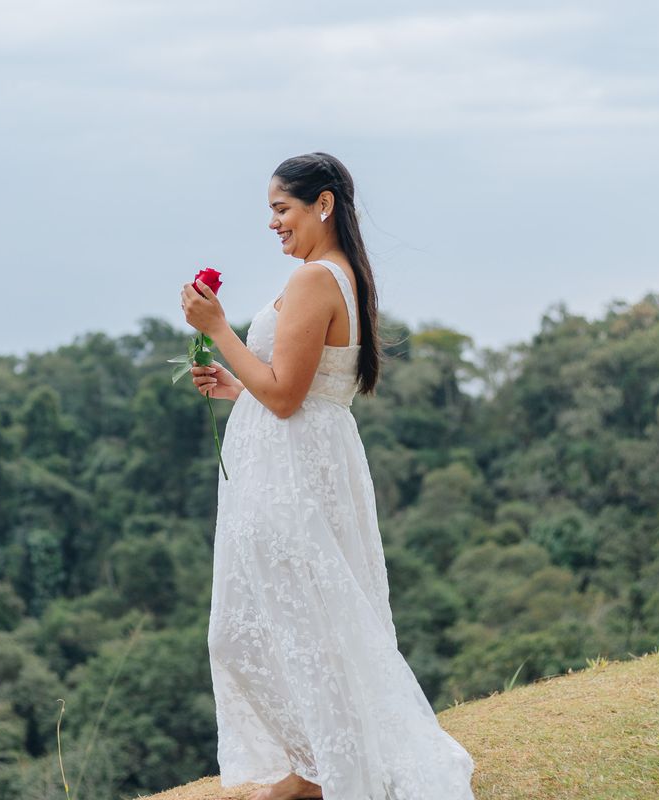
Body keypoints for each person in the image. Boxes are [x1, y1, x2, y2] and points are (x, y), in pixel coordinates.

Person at [180, 152, 475, 800]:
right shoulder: (337, 274)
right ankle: (315, 763)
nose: (273, 224)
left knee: (270, 628)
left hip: (291, 473)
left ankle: (321, 770)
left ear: (324, 204)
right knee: (293, 624)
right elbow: (300, 389)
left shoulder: (318, 279)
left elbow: (287, 397)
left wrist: (218, 329)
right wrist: (236, 386)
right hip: (297, 459)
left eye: (281, 209)